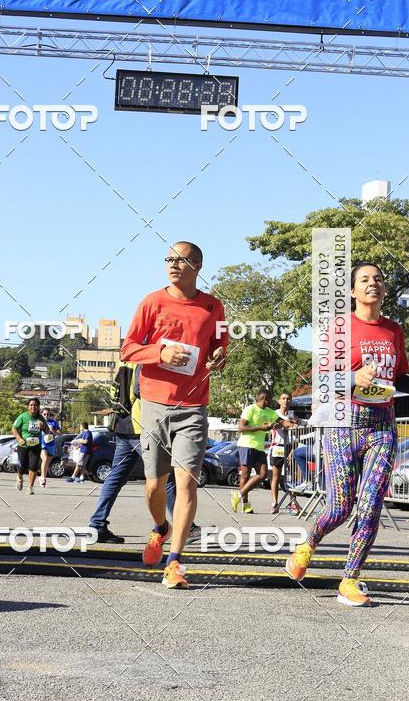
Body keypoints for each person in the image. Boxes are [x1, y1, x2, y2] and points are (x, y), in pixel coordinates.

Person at [286, 262, 409, 606]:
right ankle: (308, 545)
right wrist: (352, 379)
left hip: (382, 426)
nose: (373, 283)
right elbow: (323, 379)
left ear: (384, 289)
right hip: (343, 424)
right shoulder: (339, 328)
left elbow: (399, 379)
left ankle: (350, 579)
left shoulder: (393, 330)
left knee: (372, 503)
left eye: (378, 279)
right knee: (340, 507)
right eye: (364, 279)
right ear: (352, 290)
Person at [120, 241, 227, 589]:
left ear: (197, 266)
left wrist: (218, 359)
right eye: (169, 259)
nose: (173, 264)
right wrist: (160, 353)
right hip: (154, 404)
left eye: (181, 260)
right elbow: (128, 349)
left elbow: (220, 348)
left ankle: (175, 561)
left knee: (186, 483)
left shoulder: (214, 307)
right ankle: (160, 528)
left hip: (193, 407)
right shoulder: (152, 301)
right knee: (154, 485)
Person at [88, 361, 191, 544]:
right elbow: (140, 390)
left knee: (115, 479)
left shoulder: (126, 361)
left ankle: (97, 525)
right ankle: (186, 528)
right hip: (141, 427)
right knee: (164, 478)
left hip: (122, 425)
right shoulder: (144, 360)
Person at [233, 389, 292, 514]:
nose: (271, 401)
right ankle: (245, 505)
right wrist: (261, 427)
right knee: (245, 475)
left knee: (263, 474)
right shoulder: (250, 409)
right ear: (264, 399)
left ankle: (238, 494)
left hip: (259, 447)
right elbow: (241, 427)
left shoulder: (269, 412)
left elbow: (281, 422)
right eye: (270, 399)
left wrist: (292, 423)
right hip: (246, 445)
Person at [270, 391, 308, 515]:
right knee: (276, 477)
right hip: (278, 447)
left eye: (288, 399)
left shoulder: (293, 415)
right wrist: (288, 425)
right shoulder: (274, 414)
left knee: (293, 476)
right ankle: (274, 503)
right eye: (283, 398)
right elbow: (277, 425)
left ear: (291, 401)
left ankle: (293, 502)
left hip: (291, 447)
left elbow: (302, 428)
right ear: (279, 401)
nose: (286, 401)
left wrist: (293, 448)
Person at [12, 398, 49, 495]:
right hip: (23, 445)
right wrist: (19, 438)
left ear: (38, 407)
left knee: (33, 466)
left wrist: (43, 427)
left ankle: (30, 488)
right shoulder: (23, 417)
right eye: (31, 405)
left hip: (36, 446)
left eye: (35, 405)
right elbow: (14, 428)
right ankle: (19, 477)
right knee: (22, 467)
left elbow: (47, 432)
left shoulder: (41, 418)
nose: (33, 407)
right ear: (28, 407)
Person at [40, 408, 61, 487]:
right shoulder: (39, 421)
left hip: (51, 444)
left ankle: (42, 477)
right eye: (44, 414)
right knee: (45, 459)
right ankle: (43, 478)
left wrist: (53, 431)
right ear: (42, 414)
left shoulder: (53, 422)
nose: (46, 416)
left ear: (49, 415)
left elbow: (59, 433)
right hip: (42, 443)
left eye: (47, 414)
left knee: (47, 463)